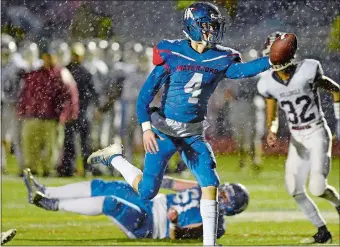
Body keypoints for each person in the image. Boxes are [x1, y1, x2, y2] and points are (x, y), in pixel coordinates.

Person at [88, 2, 273, 246]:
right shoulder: (172, 53)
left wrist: (273, 60)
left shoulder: (221, 57)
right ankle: (114, 158)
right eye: (207, 26)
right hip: (164, 130)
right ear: (192, 27)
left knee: (211, 182)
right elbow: (145, 97)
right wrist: (145, 129)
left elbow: (243, 71)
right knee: (146, 191)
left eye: (214, 27)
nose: (211, 32)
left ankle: (209, 243)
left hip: (193, 135)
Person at [257, 32, 340, 244]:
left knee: (318, 189)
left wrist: (339, 119)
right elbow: (272, 114)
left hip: (317, 132)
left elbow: (336, 90)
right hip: (297, 138)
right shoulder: (267, 82)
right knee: (294, 189)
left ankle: (339, 204)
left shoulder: (308, 70)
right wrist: (271, 130)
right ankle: (323, 232)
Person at [23, 168, 249, 240]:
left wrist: (175, 222)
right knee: (107, 186)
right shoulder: (205, 188)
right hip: (151, 202)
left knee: (110, 203)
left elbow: (177, 235)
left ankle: (53, 205)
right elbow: (171, 183)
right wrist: (148, 176)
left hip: (150, 224)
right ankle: (46, 191)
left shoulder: (216, 225)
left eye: (226, 197)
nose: (221, 195)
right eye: (224, 190)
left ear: (230, 209)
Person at [16, 40, 79, 177]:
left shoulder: (62, 74)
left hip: (52, 117)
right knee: (30, 144)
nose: (48, 59)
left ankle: (48, 169)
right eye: (46, 56)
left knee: (52, 147)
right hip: (33, 115)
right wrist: (21, 109)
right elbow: (25, 93)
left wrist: (66, 113)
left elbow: (70, 96)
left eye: (51, 56)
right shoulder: (34, 74)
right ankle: (31, 169)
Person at [57, 42, 97, 177]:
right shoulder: (67, 71)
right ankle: (70, 168)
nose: (75, 57)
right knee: (70, 143)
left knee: (84, 143)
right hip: (72, 112)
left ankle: (86, 168)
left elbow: (92, 92)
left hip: (83, 112)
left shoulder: (80, 71)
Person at [1, 34, 27, 174]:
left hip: (15, 105)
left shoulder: (18, 64)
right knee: (2, 136)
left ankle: (22, 165)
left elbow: (25, 86)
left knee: (17, 137)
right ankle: (2, 164)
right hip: (4, 104)